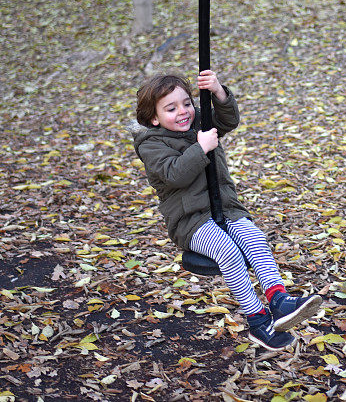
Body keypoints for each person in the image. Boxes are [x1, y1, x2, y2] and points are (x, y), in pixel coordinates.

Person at [134, 71, 321, 351]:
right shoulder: (151, 144)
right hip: (191, 221)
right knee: (229, 252)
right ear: (154, 118)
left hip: (226, 209)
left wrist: (219, 92)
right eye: (171, 109)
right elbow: (174, 175)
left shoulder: (200, 121)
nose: (183, 112)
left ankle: (279, 300)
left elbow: (228, 120)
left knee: (256, 239)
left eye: (187, 103)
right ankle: (258, 321)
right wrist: (201, 148)